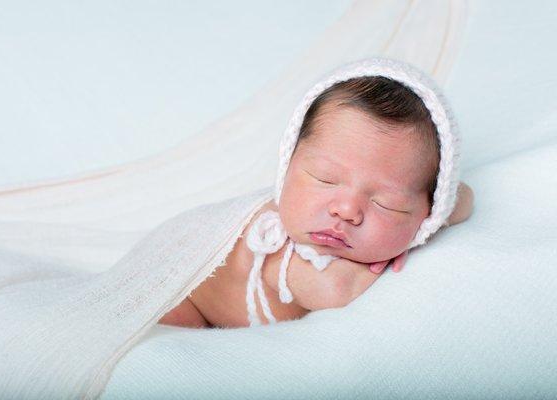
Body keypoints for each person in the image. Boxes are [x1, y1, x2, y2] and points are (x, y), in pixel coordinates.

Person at [159, 60, 474, 329]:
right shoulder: (278, 248)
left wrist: (425, 225)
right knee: (162, 338)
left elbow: (464, 199)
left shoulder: (424, 210)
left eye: (386, 203)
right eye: (325, 179)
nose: (347, 209)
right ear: (289, 164)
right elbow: (337, 289)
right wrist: (396, 238)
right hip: (183, 293)